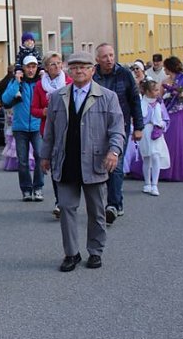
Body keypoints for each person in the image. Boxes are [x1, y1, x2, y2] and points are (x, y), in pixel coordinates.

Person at [40, 51, 125, 272]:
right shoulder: (58, 97)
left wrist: (114, 152)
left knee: (96, 210)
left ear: (92, 70)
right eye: (75, 67)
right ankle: (71, 253)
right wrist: (45, 155)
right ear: (69, 70)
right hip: (66, 160)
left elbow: (117, 129)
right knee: (67, 208)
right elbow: (50, 130)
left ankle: (95, 251)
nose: (79, 71)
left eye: (84, 67)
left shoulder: (107, 96)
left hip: (95, 162)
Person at [92, 43, 142, 224]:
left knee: (116, 163)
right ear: (97, 59)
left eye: (111, 55)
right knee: (100, 164)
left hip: (120, 125)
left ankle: (113, 205)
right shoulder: (93, 76)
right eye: (105, 56)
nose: (109, 59)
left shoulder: (124, 74)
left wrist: (139, 127)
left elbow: (134, 100)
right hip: (97, 126)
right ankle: (110, 201)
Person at [32, 52, 71, 218]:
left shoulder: (69, 82)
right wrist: (44, 112)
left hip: (69, 130)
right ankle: (59, 201)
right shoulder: (40, 86)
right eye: (53, 64)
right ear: (46, 68)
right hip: (49, 131)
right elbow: (33, 109)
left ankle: (69, 199)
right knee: (56, 168)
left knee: (68, 166)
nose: (57, 66)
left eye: (59, 63)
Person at [2, 55, 43, 201]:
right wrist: (16, 82)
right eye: (28, 67)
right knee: (23, 160)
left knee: (39, 156)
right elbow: (6, 99)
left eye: (33, 67)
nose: (31, 70)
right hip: (20, 128)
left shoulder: (40, 83)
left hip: (37, 126)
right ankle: (26, 189)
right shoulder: (17, 83)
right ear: (23, 68)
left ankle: (38, 187)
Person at [137, 80, 170, 197]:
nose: (157, 92)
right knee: (146, 157)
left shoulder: (159, 104)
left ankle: (155, 184)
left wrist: (161, 126)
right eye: (155, 90)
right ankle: (147, 183)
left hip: (156, 132)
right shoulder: (140, 103)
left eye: (157, 90)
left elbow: (166, 118)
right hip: (145, 132)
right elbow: (137, 118)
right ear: (146, 91)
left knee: (156, 156)